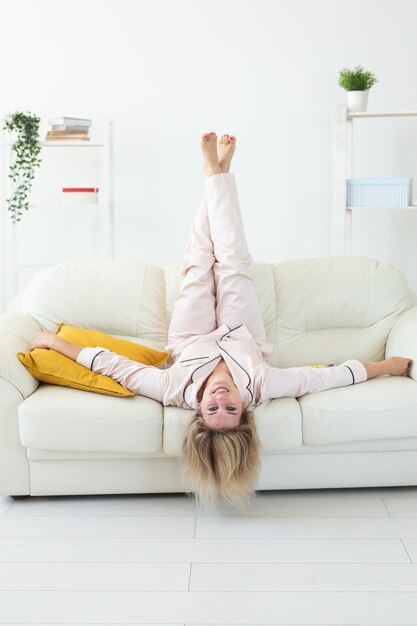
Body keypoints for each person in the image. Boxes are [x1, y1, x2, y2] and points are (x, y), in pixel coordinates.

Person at [29, 132, 411, 508]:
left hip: (190, 335)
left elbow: (112, 365)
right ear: (244, 411)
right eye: (230, 410)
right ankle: (216, 174)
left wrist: (53, 342)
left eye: (213, 410)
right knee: (231, 258)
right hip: (242, 330)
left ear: (199, 412)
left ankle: (216, 175)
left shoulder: (173, 389)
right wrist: (385, 366)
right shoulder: (262, 385)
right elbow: (327, 376)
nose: (221, 400)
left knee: (198, 259)